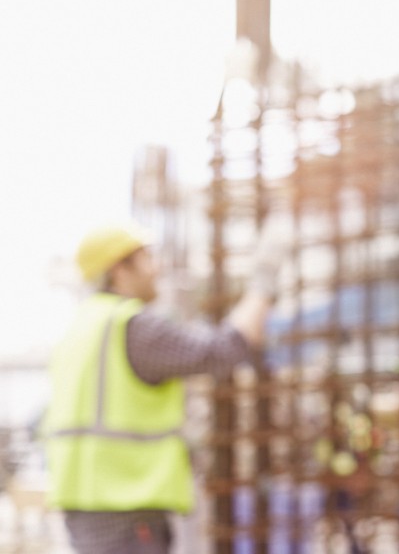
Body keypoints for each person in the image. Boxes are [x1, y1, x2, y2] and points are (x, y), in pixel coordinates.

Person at [43, 218, 287, 554]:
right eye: (146, 259)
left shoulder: (80, 329)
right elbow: (223, 350)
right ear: (120, 269)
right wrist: (263, 284)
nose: (156, 269)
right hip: (127, 504)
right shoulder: (131, 326)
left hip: (84, 502)